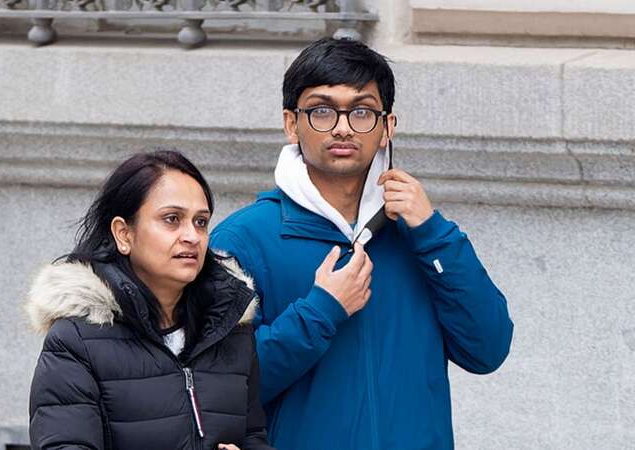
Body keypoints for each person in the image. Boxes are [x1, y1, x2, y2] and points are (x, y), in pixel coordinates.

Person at [210, 38, 514, 450]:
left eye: (361, 111)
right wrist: (321, 311)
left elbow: (488, 350)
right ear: (290, 122)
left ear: (387, 126)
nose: (343, 127)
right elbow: (221, 390)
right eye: (321, 110)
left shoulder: (421, 235)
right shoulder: (242, 240)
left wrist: (432, 234)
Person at [26, 151, 274, 450]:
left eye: (201, 222)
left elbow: (253, 437)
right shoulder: (77, 341)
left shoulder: (231, 329)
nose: (192, 236)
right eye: (172, 219)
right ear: (123, 234)